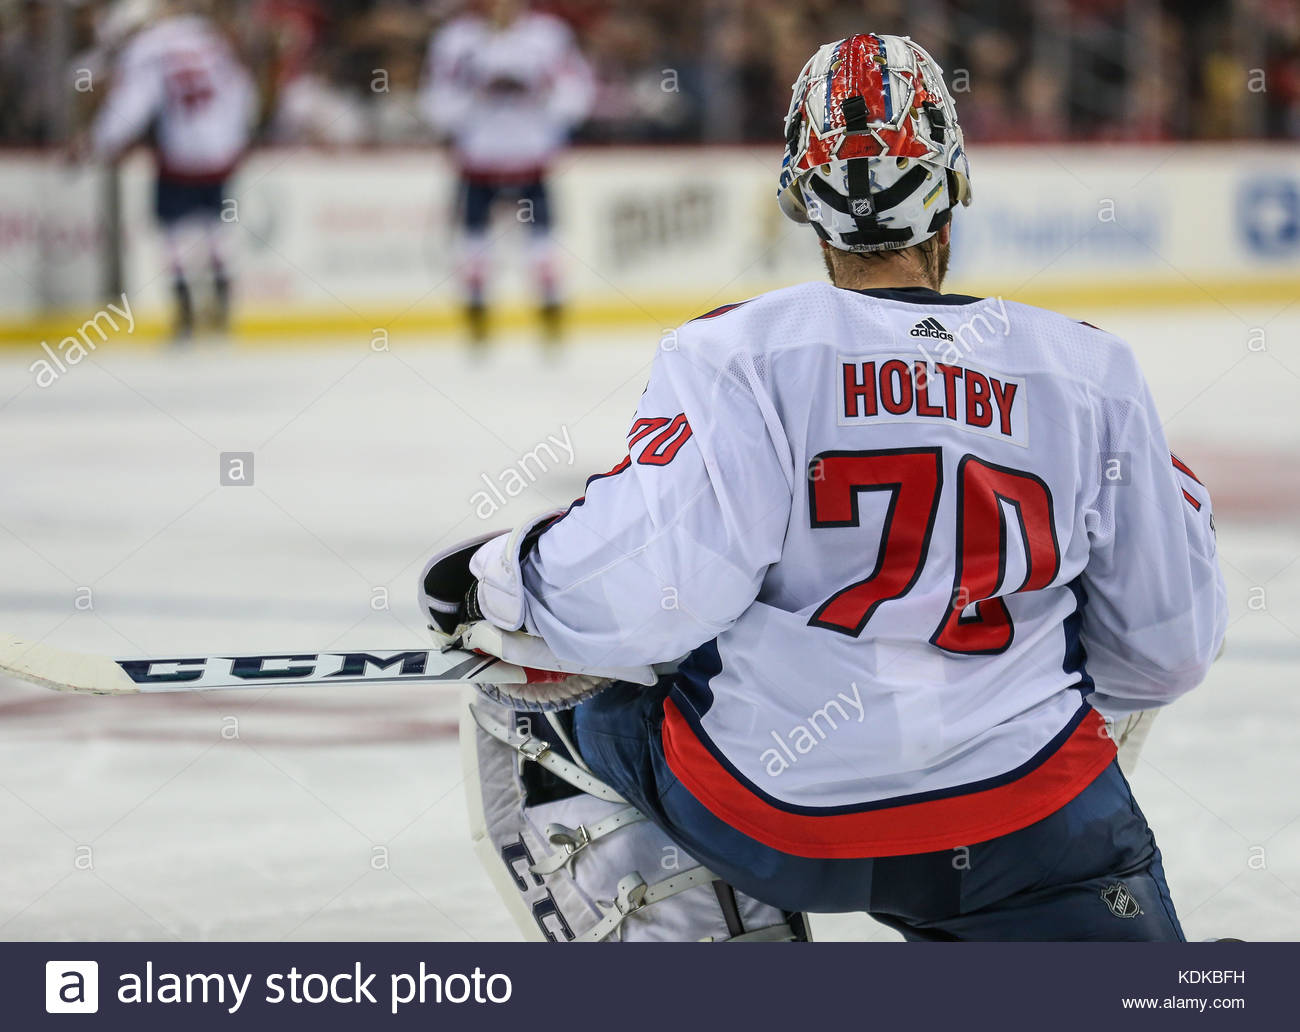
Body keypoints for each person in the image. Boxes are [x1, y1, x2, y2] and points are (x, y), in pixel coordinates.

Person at [421, 34, 1227, 941]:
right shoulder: (1088, 370)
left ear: (803, 201)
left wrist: (505, 577)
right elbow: (1164, 654)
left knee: (542, 694)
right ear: (953, 190)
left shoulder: (739, 352)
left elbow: (649, 601)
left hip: (783, 824)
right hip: (1033, 827)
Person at [420, 0, 594, 351]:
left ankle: (550, 308)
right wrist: (474, 96)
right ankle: (476, 309)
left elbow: (577, 91)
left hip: (530, 156)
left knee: (542, 240)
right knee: (473, 239)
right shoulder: (456, 40)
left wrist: (541, 100)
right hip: (478, 159)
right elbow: (436, 100)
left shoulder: (548, 36)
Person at [90, 0, 257, 341]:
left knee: (173, 232)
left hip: (181, 152)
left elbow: (132, 104)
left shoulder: (147, 47)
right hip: (221, 150)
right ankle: (222, 311)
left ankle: (185, 316)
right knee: (216, 227)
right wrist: (236, 138)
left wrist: (101, 141)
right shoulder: (208, 37)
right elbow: (242, 89)